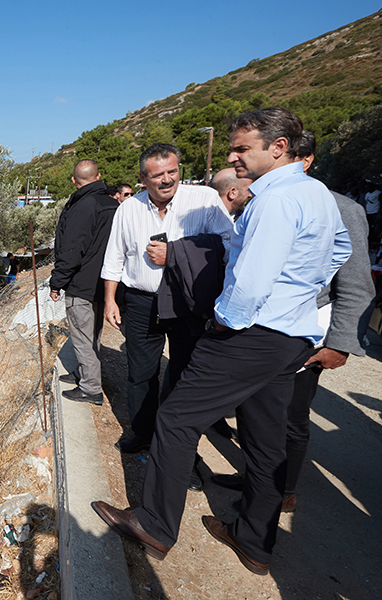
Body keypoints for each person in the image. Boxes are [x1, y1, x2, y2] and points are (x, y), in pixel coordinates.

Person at [93, 108, 351, 576]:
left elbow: (250, 283)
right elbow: (340, 251)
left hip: (248, 334)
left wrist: (223, 322)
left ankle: (153, 523)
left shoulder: (273, 201)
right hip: (292, 336)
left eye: (240, 149)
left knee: (174, 418)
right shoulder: (316, 193)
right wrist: (299, 292)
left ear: (278, 147)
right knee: (266, 442)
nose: (233, 158)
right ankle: (254, 542)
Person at [211, 130, 375, 513]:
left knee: (291, 417)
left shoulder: (340, 208)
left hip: (303, 332)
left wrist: (340, 342)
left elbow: (354, 283)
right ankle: (257, 478)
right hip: (258, 331)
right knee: (256, 414)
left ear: (306, 160)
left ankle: (281, 491)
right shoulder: (262, 199)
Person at [100, 143, 233, 458]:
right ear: (143, 178)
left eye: (172, 171)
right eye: (157, 175)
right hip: (141, 302)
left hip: (188, 301)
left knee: (186, 374)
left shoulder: (204, 201)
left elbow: (228, 245)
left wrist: (177, 253)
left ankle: (177, 449)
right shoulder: (129, 209)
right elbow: (114, 257)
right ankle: (143, 433)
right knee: (140, 373)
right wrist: (110, 300)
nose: (167, 180)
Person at [49, 159, 120, 405]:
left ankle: (90, 388)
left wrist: (56, 282)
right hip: (106, 282)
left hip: (82, 283)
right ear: (99, 176)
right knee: (94, 335)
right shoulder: (113, 204)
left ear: (73, 180)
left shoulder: (82, 206)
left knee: (81, 336)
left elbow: (72, 250)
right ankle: (85, 374)